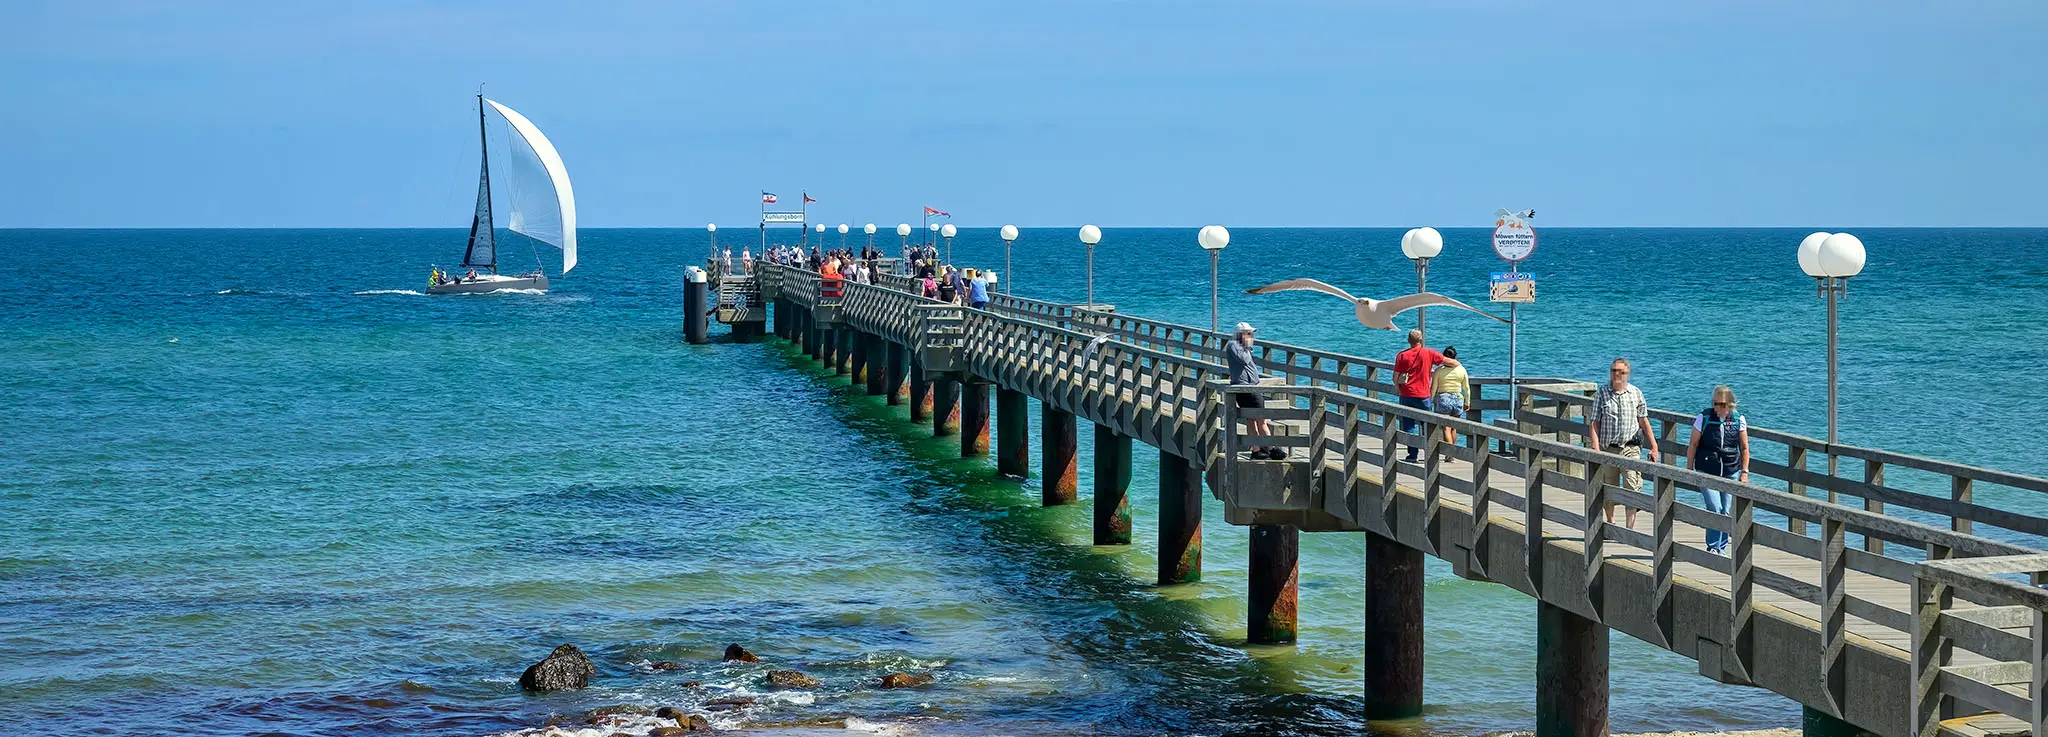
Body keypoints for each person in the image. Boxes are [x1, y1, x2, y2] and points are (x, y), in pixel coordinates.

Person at [1587, 357, 1660, 528]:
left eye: (1621, 372)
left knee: (1632, 486)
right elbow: (1594, 422)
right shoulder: (1602, 393)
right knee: (1608, 487)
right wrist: (1595, 449)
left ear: (1627, 374)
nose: (1617, 374)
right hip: (1608, 448)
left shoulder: (1636, 393)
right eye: (1614, 371)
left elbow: (1644, 421)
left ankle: (1629, 529)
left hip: (1630, 447)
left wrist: (1654, 447)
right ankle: (1611, 522)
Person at [1686, 385, 1749, 556]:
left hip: (1730, 470)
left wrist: (1744, 471)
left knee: (1725, 510)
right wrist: (1689, 469)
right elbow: (1693, 444)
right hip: (1706, 469)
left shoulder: (1738, 419)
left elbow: (1744, 448)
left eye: (1722, 404)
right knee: (1714, 507)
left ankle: (1721, 548)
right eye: (1715, 403)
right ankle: (1713, 546)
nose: (1718, 407)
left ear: (1730, 404)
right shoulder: (1704, 417)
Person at [1392, 329, 1458, 463]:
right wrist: (1458, 365)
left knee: (1409, 426)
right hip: (1423, 395)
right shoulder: (1429, 353)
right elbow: (1449, 362)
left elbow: (1395, 377)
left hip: (1406, 394)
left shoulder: (1402, 355)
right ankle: (1430, 454)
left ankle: (1412, 455)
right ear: (1421, 340)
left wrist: (1399, 390)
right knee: (1427, 426)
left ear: (1408, 340)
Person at [1226, 322, 1280, 459]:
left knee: (1254, 419)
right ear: (1240, 334)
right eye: (1248, 333)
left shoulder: (1241, 346)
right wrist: (1247, 344)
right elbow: (1243, 360)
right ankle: (1271, 448)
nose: (1251, 336)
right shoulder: (1234, 345)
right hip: (1246, 388)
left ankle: (1258, 450)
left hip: (1250, 387)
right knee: (1260, 419)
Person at [1432, 346, 1472, 446]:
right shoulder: (1462, 370)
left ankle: (1450, 451)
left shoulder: (1439, 371)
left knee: (1446, 427)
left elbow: (1434, 388)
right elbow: (1466, 388)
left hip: (1444, 398)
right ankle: (1453, 450)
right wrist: (1467, 402)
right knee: (1454, 427)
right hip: (1458, 399)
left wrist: (1431, 399)